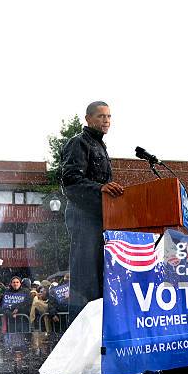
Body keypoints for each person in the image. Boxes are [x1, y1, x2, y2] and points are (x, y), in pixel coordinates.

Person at [60, 101, 124, 323]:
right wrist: (100, 188)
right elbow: (70, 180)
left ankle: (97, 334)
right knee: (85, 279)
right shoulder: (78, 143)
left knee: (98, 278)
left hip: (100, 219)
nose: (106, 120)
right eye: (100, 116)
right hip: (82, 217)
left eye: (109, 116)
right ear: (88, 119)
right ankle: (79, 335)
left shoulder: (101, 147)